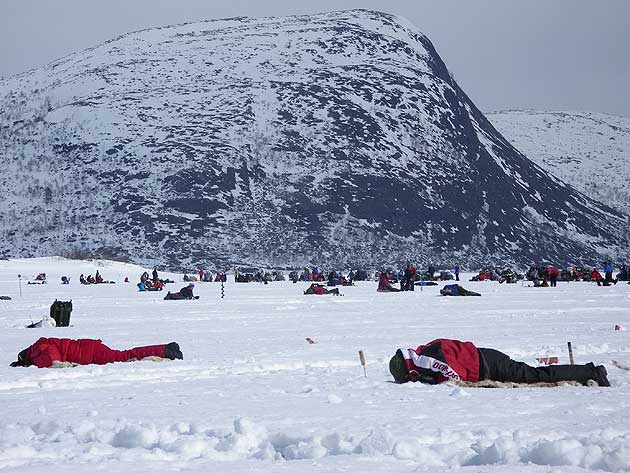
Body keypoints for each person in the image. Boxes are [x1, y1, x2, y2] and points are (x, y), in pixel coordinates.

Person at [389, 338, 610, 386]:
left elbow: (453, 375)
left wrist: (435, 382)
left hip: (490, 365)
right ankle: (588, 371)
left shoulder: (426, 359)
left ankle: (590, 372)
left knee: (536, 375)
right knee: (534, 373)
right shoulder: (425, 351)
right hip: (487, 358)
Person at [9, 337, 182, 368]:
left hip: (90, 352)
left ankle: (165, 350)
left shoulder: (39, 347)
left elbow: (50, 359)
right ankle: (164, 348)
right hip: (89, 349)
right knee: (124, 355)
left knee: (125, 357)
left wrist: (31, 363)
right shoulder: (39, 346)